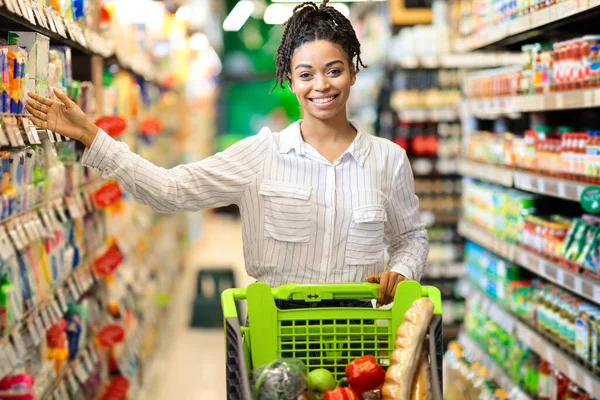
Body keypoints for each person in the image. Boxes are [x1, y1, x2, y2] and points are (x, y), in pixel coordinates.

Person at [25, 0, 428, 308]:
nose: (321, 85)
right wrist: (92, 136)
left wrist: (401, 269)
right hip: (277, 335)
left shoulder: (387, 161)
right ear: (289, 79)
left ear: (353, 72)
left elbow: (410, 237)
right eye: (306, 74)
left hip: (361, 339)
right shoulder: (260, 156)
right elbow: (171, 190)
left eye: (334, 70)